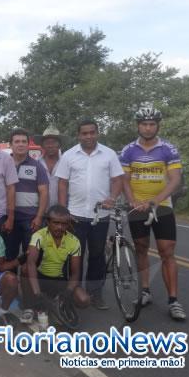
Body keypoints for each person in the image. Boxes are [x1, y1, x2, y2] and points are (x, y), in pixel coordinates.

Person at [120, 107, 186, 321]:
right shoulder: (128, 150)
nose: (148, 128)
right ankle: (145, 290)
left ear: (158, 125)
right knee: (140, 249)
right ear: (137, 125)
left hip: (162, 207)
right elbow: (125, 180)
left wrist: (155, 201)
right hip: (137, 207)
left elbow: (175, 179)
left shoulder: (168, 148)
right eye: (144, 124)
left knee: (167, 251)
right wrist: (132, 201)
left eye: (152, 124)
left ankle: (173, 300)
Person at [56, 119, 124, 310]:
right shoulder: (69, 155)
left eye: (92, 132)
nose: (88, 136)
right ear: (79, 135)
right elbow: (62, 183)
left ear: (97, 133)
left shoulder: (109, 154)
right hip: (74, 216)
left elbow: (118, 179)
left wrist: (112, 197)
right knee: (73, 256)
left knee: (96, 256)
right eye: (84, 133)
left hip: (99, 216)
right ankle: (72, 293)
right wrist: (63, 212)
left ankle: (95, 294)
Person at [20, 205, 90, 324]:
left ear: (68, 224)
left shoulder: (74, 241)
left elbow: (75, 272)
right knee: (25, 268)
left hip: (60, 281)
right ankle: (29, 307)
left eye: (64, 224)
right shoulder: (38, 236)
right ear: (48, 222)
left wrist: (68, 292)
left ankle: (59, 303)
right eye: (56, 223)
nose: (60, 227)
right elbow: (31, 263)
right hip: (40, 279)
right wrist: (37, 293)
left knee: (84, 299)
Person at [8, 128, 48, 260]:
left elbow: (44, 192)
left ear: (28, 144)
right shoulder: (4, 164)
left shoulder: (37, 166)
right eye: (17, 141)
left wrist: (39, 217)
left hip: (30, 219)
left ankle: (26, 281)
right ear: (11, 144)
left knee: (30, 258)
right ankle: (10, 280)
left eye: (24, 141)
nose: (20, 144)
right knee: (9, 256)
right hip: (8, 217)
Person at [36, 126, 63, 209]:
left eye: (54, 142)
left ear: (59, 145)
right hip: (39, 211)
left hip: (61, 212)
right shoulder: (36, 163)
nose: (50, 145)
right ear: (42, 145)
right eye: (47, 142)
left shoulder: (66, 163)